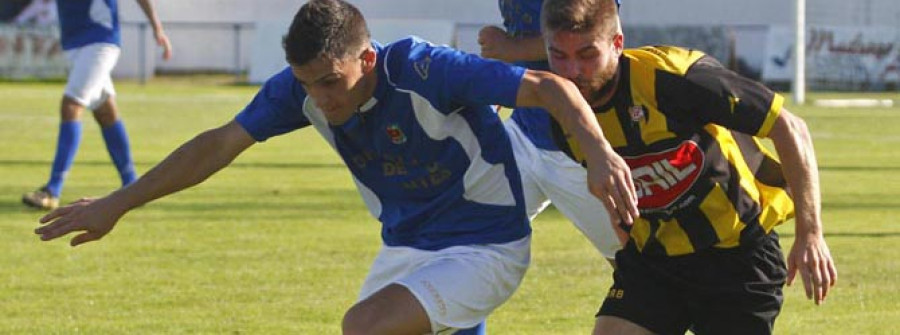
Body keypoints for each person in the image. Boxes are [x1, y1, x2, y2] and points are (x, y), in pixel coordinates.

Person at [35, 0, 638, 334]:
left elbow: (549, 87)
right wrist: (118, 203)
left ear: (367, 58)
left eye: (331, 81)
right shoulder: (298, 91)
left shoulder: (424, 69)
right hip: (405, 246)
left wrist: (600, 154)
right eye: (307, 84)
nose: (321, 99)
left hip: (485, 244)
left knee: (365, 327)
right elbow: (217, 146)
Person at [539, 0, 837, 334]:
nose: (571, 72)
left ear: (617, 44)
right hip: (655, 262)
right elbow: (615, 196)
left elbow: (789, 127)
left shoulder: (673, 79)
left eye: (587, 55)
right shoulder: (564, 115)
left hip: (739, 257)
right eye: (558, 56)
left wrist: (810, 234)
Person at [479, 0, 626, 264]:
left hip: (582, 145)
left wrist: (511, 49)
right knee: (462, 241)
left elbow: (594, 30)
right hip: (524, 135)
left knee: (635, 263)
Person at [22, 0, 173, 210]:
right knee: (105, 112)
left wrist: (157, 28)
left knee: (71, 105)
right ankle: (132, 183)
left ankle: (52, 190)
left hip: (100, 40)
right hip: (75, 42)